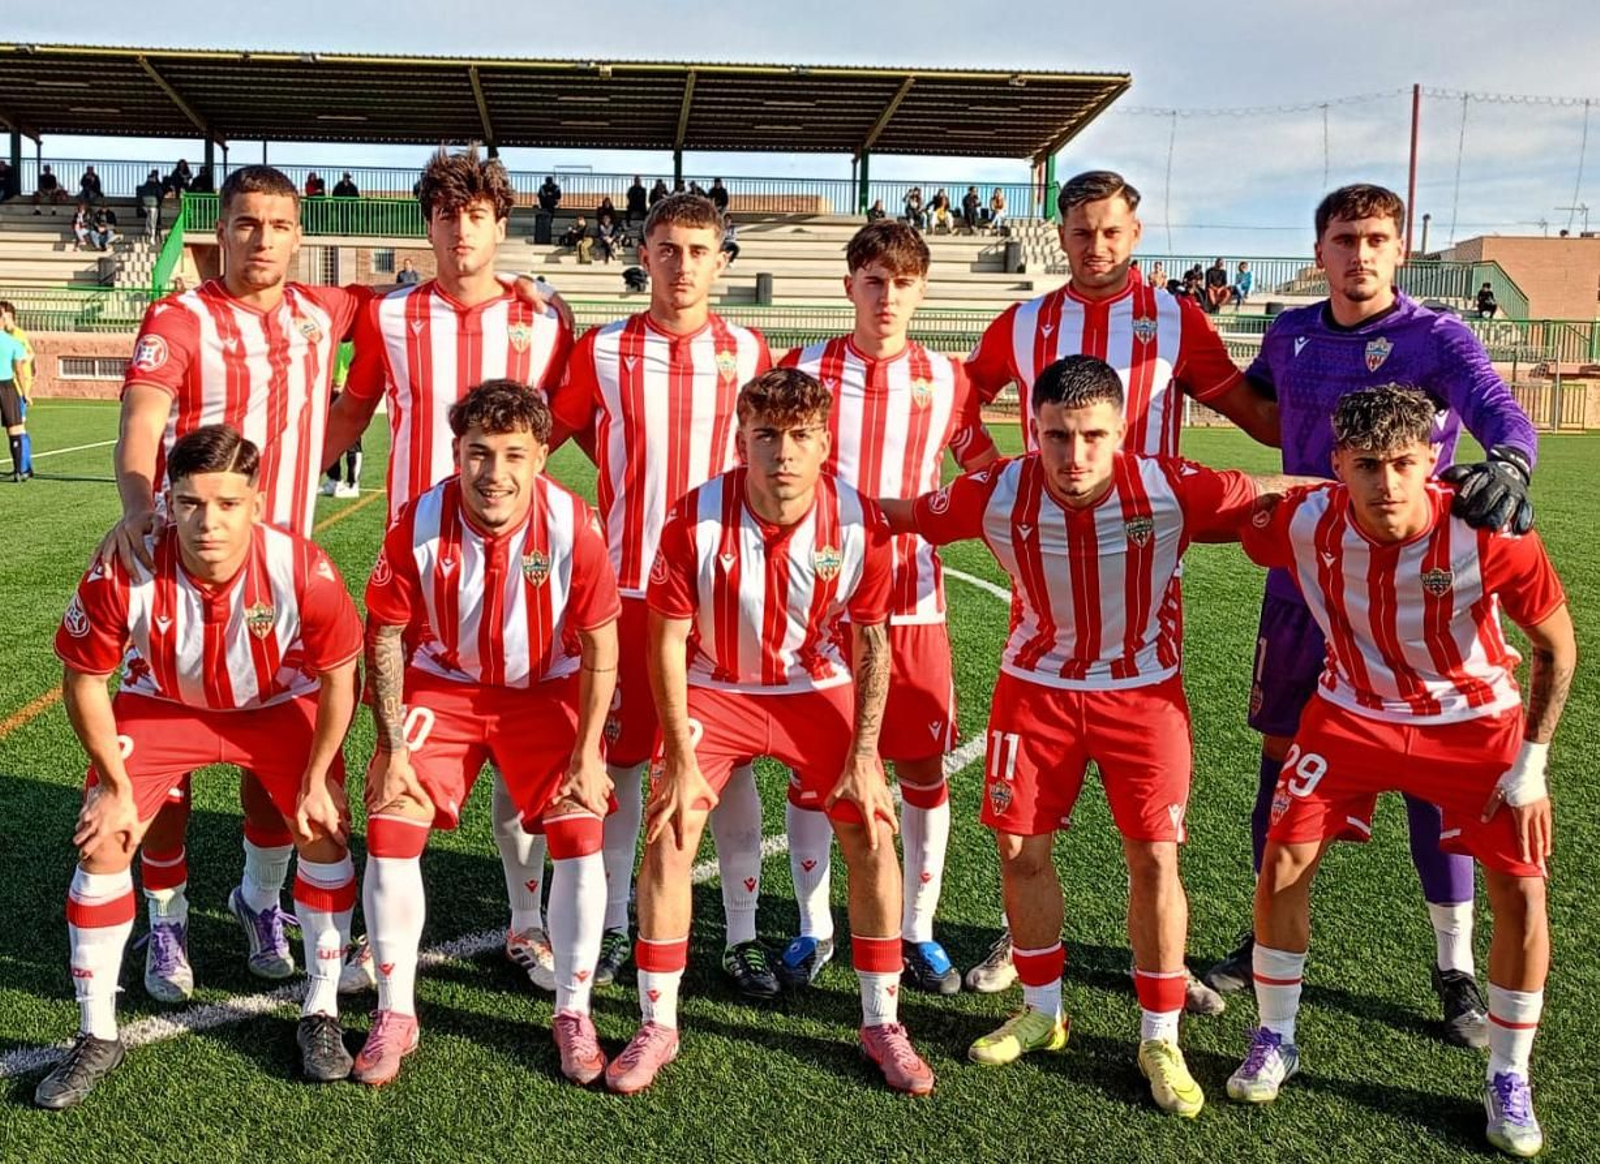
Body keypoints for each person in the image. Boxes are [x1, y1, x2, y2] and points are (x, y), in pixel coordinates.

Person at [882, 354, 1294, 1116]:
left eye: (1093, 437)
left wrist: (1427, 496)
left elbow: (1277, 491)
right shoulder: (995, 489)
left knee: (1154, 859)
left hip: (1142, 699)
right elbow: (903, 515)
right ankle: (1043, 1010)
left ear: (1122, 430)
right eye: (1057, 437)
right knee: (1020, 851)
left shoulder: (1172, 485)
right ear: (1033, 431)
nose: (1074, 457)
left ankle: (1160, 1035)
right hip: (1033, 695)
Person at [1202, 183, 1542, 1054]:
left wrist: (1509, 457)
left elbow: (1498, 406)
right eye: (1345, 239)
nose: (1361, 254)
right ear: (1319, 251)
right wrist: (1185, 363)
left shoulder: (1437, 336)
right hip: (1306, 583)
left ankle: (1454, 967)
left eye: (1377, 239)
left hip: (1412, 588)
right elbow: (1266, 411)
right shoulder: (1290, 332)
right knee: (1281, 766)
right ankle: (1262, 934)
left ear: (1399, 251)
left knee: (1438, 779)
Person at [1222, 386, 1574, 1161]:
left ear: (1432, 463)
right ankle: (1275, 1036)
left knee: (1521, 883)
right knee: (1282, 856)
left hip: (1473, 719)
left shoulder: (1489, 530)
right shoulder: (1304, 521)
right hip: (1350, 711)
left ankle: (1509, 1074)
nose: (1388, 483)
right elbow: (1220, 514)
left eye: (1406, 463)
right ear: (1337, 465)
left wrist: (1533, 763)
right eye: (1369, 465)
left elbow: (1556, 646)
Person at [962, 169, 1278, 1003]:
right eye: (1080, 233)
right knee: (1032, 798)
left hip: (1145, 552)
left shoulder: (1175, 317)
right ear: (1057, 237)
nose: (1095, 247)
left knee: (1151, 809)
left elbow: (1255, 415)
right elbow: (963, 396)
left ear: (1135, 234)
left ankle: (1163, 971)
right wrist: (997, 483)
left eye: (1110, 232)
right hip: (1047, 547)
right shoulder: (1027, 319)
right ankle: (1024, 942)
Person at [605, 366, 935, 1097]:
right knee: (669, 824)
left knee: (872, 826)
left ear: (825, 445)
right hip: (715, 686)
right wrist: (681, 759)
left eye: (800, 437)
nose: (783, 452)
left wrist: (865, 754)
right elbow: (665, 640)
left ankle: (882, 1021)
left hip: (813, 686)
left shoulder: (857, 522)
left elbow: (872, 643)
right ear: (741, 441)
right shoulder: (694, 518)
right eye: (766, 436)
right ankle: (658, 1022)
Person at [103, 165, 377, 1007]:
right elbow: (142, 418)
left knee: (276, 763)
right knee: (165, 765)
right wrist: (145, 513)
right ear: (220, 231)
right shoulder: (180, 317)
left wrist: (334, 433)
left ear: (301, 236)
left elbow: (405, 313)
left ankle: (259, 902)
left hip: (284, 582)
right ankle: (168, 917)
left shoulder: (324, 311)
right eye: (247, 223)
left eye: (280, 225)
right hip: (189, 566)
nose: (263, 240)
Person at [33, 425, 364, 1109]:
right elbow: (83, 680)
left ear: (257, 502)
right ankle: (100, 1028)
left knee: (324, 830)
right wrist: (114, 787)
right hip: (163, 705)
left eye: (227, 504)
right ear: (167, 499)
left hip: (277, 703)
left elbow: (338, 678)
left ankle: (321, 1009)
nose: (208, 522)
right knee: (105, 839)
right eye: (189, 503)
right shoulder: (126, 566)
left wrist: (317, 775)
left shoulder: (302, 568)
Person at [326, 144, 575, 995]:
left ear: (500, 226)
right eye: (445, 214)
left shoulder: (548, 321)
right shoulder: (389, 317)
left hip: (519, 569)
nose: (461, 231)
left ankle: (528, 921)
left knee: (519, 757)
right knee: (392, 755)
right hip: (421, 566)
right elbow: (353, 413)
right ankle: (376, 939)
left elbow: (564, 426)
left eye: (477, 215)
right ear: (426, 224)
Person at [353, 381, 621, 1087]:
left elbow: (600, 644)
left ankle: (573, 1009)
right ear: (456, 453)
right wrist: (391, 746)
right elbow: (384, 636)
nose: (493, 474)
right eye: (478, 454)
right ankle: (395, 1011)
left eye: (512, 455)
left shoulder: (573, 523)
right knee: (390, 822)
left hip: (546, 687)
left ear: (539, 458)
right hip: (446, 683)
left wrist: (590, 751)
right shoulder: (419, 520)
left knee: (578, 826)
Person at [547, 192, 775, 997]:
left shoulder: (751, 351)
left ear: (721, 261)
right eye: (669, 248)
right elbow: (556, 432)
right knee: (619, 761)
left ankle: (743, 938)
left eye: (700, 250)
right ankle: (613, 927)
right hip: (630, 585)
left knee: (731, 764)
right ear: (643, 254)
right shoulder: (602, 349)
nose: (683, 265)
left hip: (721, 590)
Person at [777, 222, 999, 995]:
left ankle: (919, 929)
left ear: (922, 290)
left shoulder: (948, 379)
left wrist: (936, 514)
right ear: (850, 287)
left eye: (903, 282)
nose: (888, 295)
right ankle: (814, 928)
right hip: (819, 606)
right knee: (814, 772)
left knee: (921, 767)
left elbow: (984, 475)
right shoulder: (803, 366)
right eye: (874, 280)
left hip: (913, 603)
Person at [320, 343, 362, 499]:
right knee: (331, 437)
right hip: (331, 392)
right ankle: (334, 480)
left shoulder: (355, 343)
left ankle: (353, 484)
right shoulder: (335, 340)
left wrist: (346, 384)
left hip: (348, 393)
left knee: (352, 440)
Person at [1, 300, 35, 481]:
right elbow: (22, 365)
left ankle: (23, 467)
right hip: (8, 386)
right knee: (16, 428)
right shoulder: (10, 339)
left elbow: (29, 356)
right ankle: (20, 469)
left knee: (18, 427)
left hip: (11, 386)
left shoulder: (18, 336)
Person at [137, 170, 164, 241]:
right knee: (153, 219)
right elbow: (160, 195)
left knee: (149, 215)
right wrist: (159, 203)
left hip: (145, 205)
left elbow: (140, 196)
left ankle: (147, 228)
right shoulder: (157, 186)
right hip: (153, 205)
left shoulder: (143, 186)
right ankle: (152, 234)